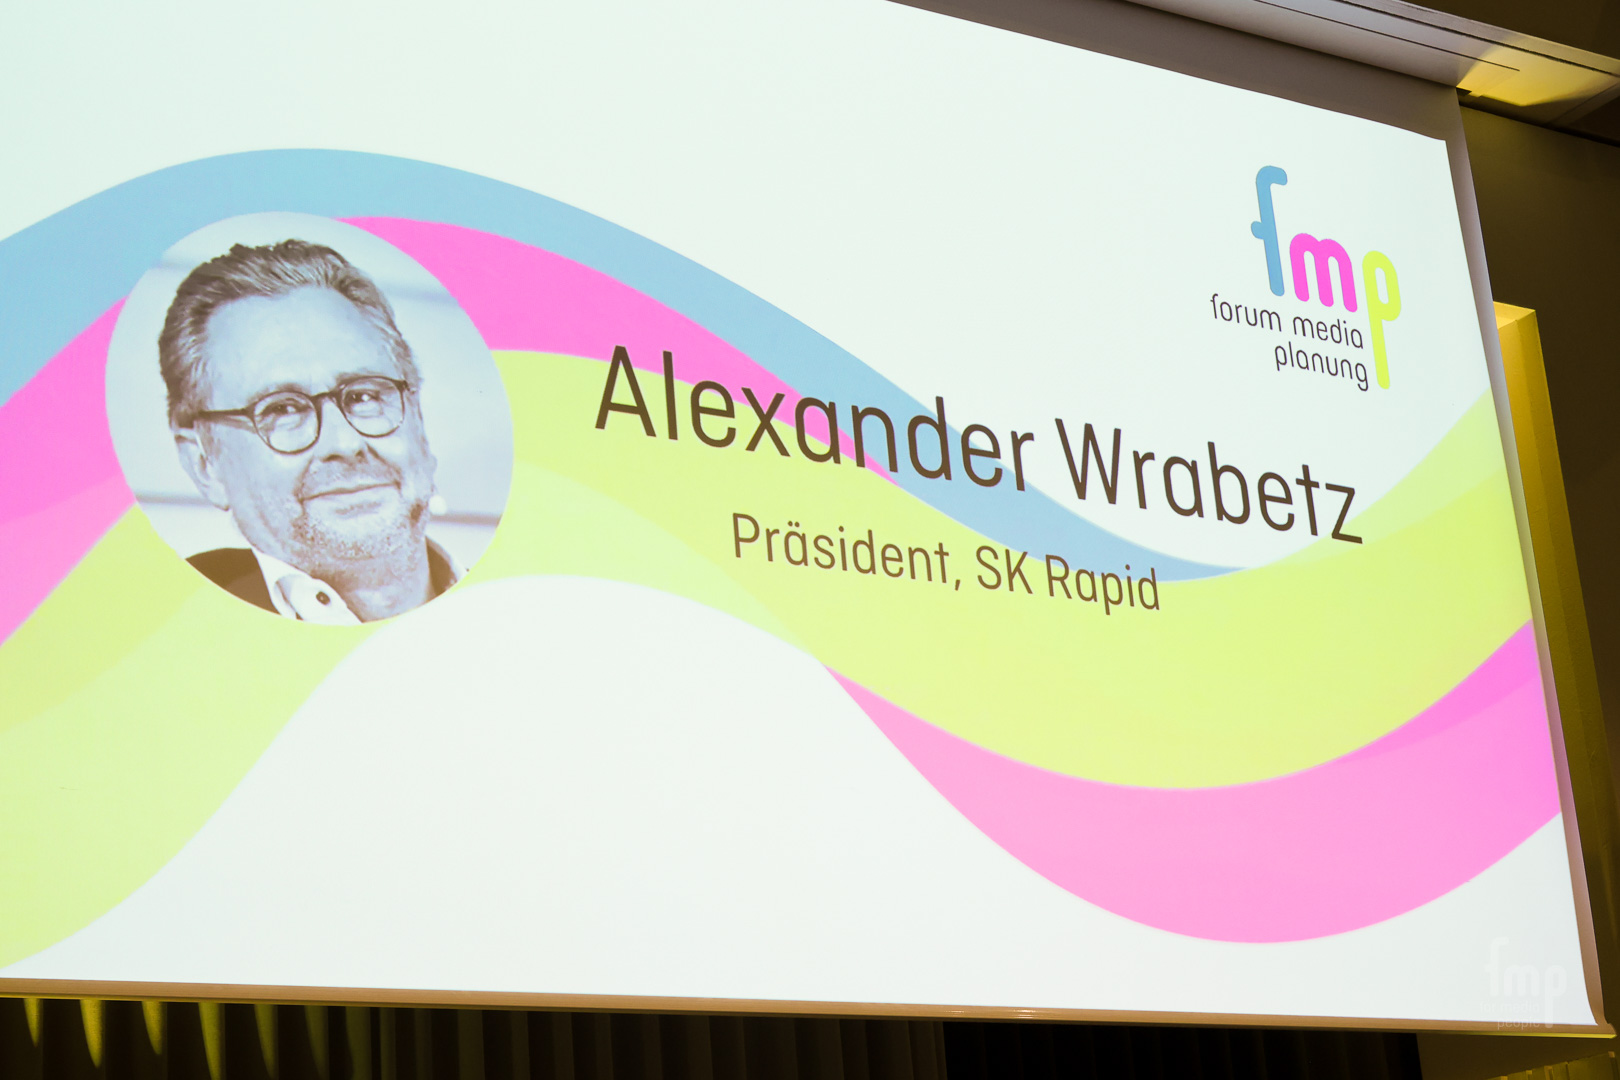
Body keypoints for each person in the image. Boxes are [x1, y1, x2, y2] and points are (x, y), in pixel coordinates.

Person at [159, 239, 456, 623]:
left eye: (364, 396)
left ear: (418, 419)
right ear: (205, 465)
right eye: (282, 409)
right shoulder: (161, 634)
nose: (345, 443)